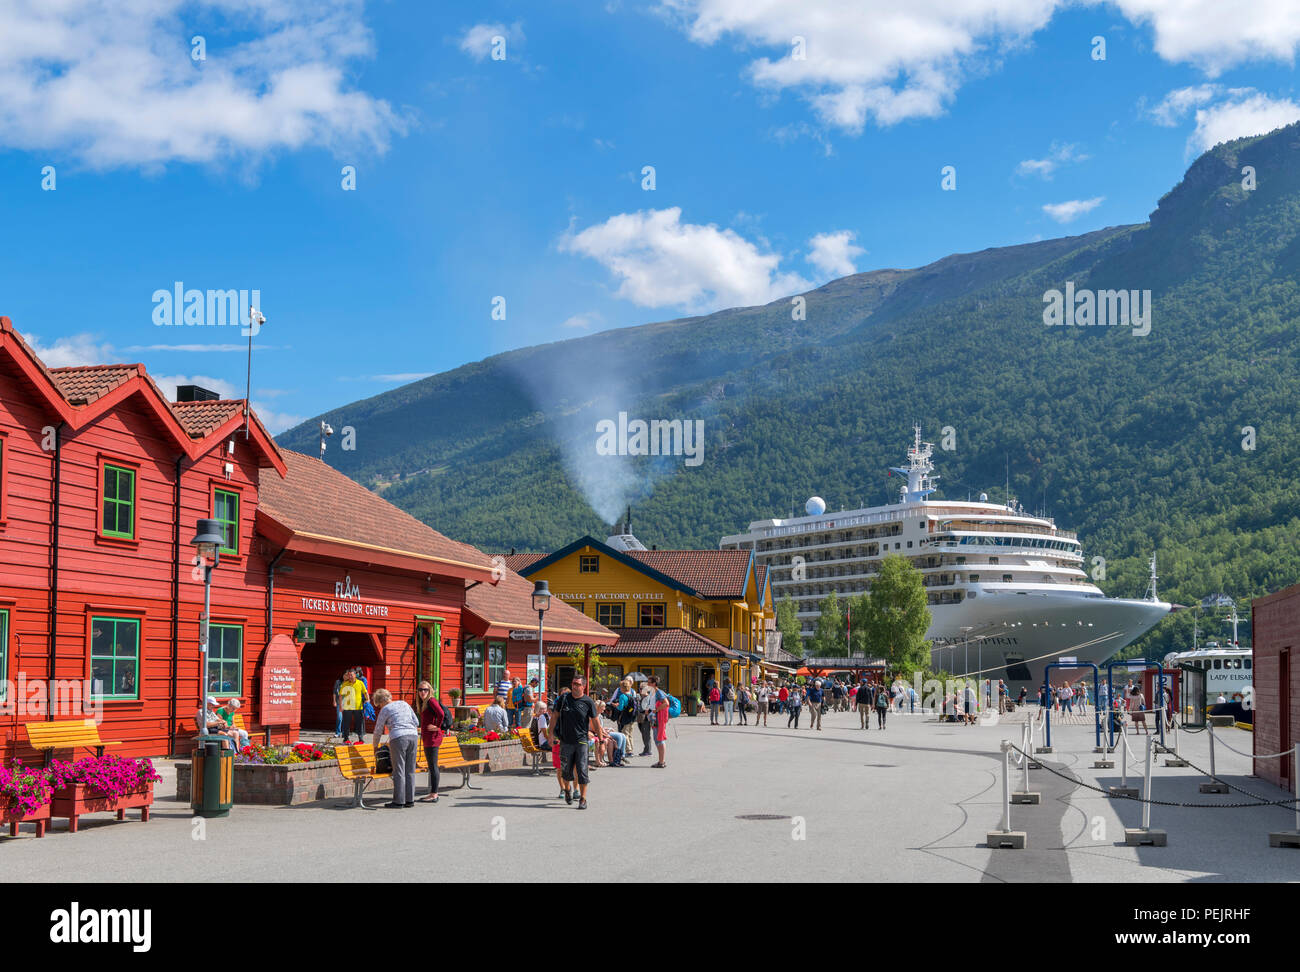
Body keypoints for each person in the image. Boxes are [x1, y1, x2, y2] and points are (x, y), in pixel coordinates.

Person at [554, 675, 604, 808]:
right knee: (566, 770)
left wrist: (601, 739)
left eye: (577, 684)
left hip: (581, 740)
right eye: (573, 683)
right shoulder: (564, 699)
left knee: (582, 770)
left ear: (584, 686)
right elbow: (555, 716)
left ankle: (583, 798)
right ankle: (567, 790)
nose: (574, 686)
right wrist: (551, 735)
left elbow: (595, 721)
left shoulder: (588, 701)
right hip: (565, 740)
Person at [370, 687, 419, 808]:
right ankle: (410, 800)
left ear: (381, 702)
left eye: (378, 705)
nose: (379, 707)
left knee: (399, 770)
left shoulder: (385, 709)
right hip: (413, 736)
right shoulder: (404, 703)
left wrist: (375, 746)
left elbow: (378, 730)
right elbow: (416, 722)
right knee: (410, 769)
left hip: (398, 738)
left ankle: (398, 801)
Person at [415, 681, 446, 803]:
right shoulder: (424, 703)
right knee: (432, 766)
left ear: (430, 691)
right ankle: (433, 793)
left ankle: (434, 794)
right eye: (420, 690)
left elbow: (441, 713)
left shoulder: (431, 701)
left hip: (433, 738)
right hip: (428, 738)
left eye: (425, 690)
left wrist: (437, 726)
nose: (422, 692)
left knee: (433, 766)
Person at [338, 668, 369, 743]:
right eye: (349, 675)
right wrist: (341, 706)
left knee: (359, 723)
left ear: (355, 675)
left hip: (358, 707)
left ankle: (360, 738)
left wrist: (368, 700)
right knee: (346, 723)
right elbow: (340, 695)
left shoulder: (360, 683)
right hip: (347, 707)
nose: (350, 676)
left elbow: (365, 692)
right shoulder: (345, 684)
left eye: (351, 675)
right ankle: (346, 738)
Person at [651, 684, 670, 768]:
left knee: (659, 739)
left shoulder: (659, 693)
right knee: (658, 739)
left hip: (659, 720)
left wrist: (656, 710)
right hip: (658, 719)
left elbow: (666, 703)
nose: (647, 684)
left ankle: (661, 761)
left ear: (653, 684)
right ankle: (661, 761)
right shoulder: (656, 692)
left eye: (648, 682)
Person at [333, 670, 346, 739]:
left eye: (347, 675)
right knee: (339, 717)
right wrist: (334, 701)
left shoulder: (349, 683)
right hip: (339, 702)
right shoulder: (338, 682)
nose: (345, 676)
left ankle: (344, 733)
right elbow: (335, 692)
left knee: (345, 719)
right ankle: (338, 733)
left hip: (347, 703)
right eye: (344, 675)